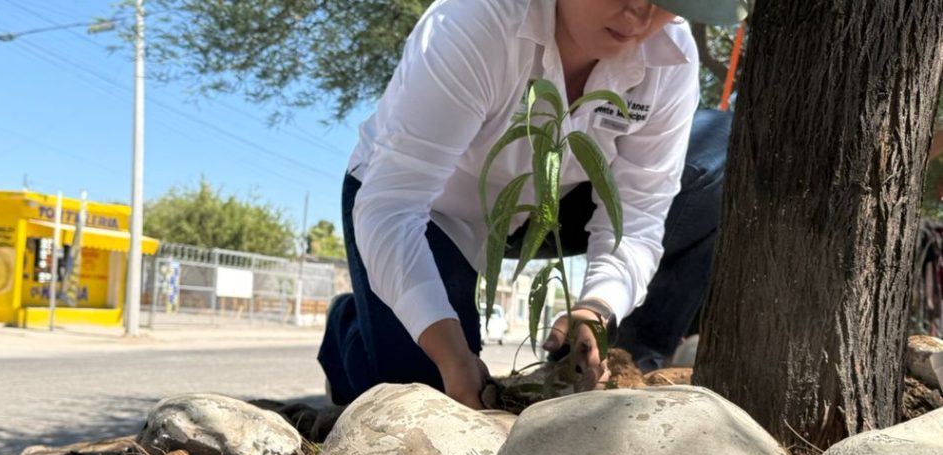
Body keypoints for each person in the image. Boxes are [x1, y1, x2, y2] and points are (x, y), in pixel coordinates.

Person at [318, 0, 749, 409]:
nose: (640, 14)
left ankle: (626, 356)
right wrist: (450, 352)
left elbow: (639, 216)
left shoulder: (670, 54)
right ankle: (352, 326)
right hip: (433, 209)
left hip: (553, 201)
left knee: (718, 156)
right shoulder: (475, 22)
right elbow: (392, 205)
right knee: (424, 383)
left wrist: (598, 308)